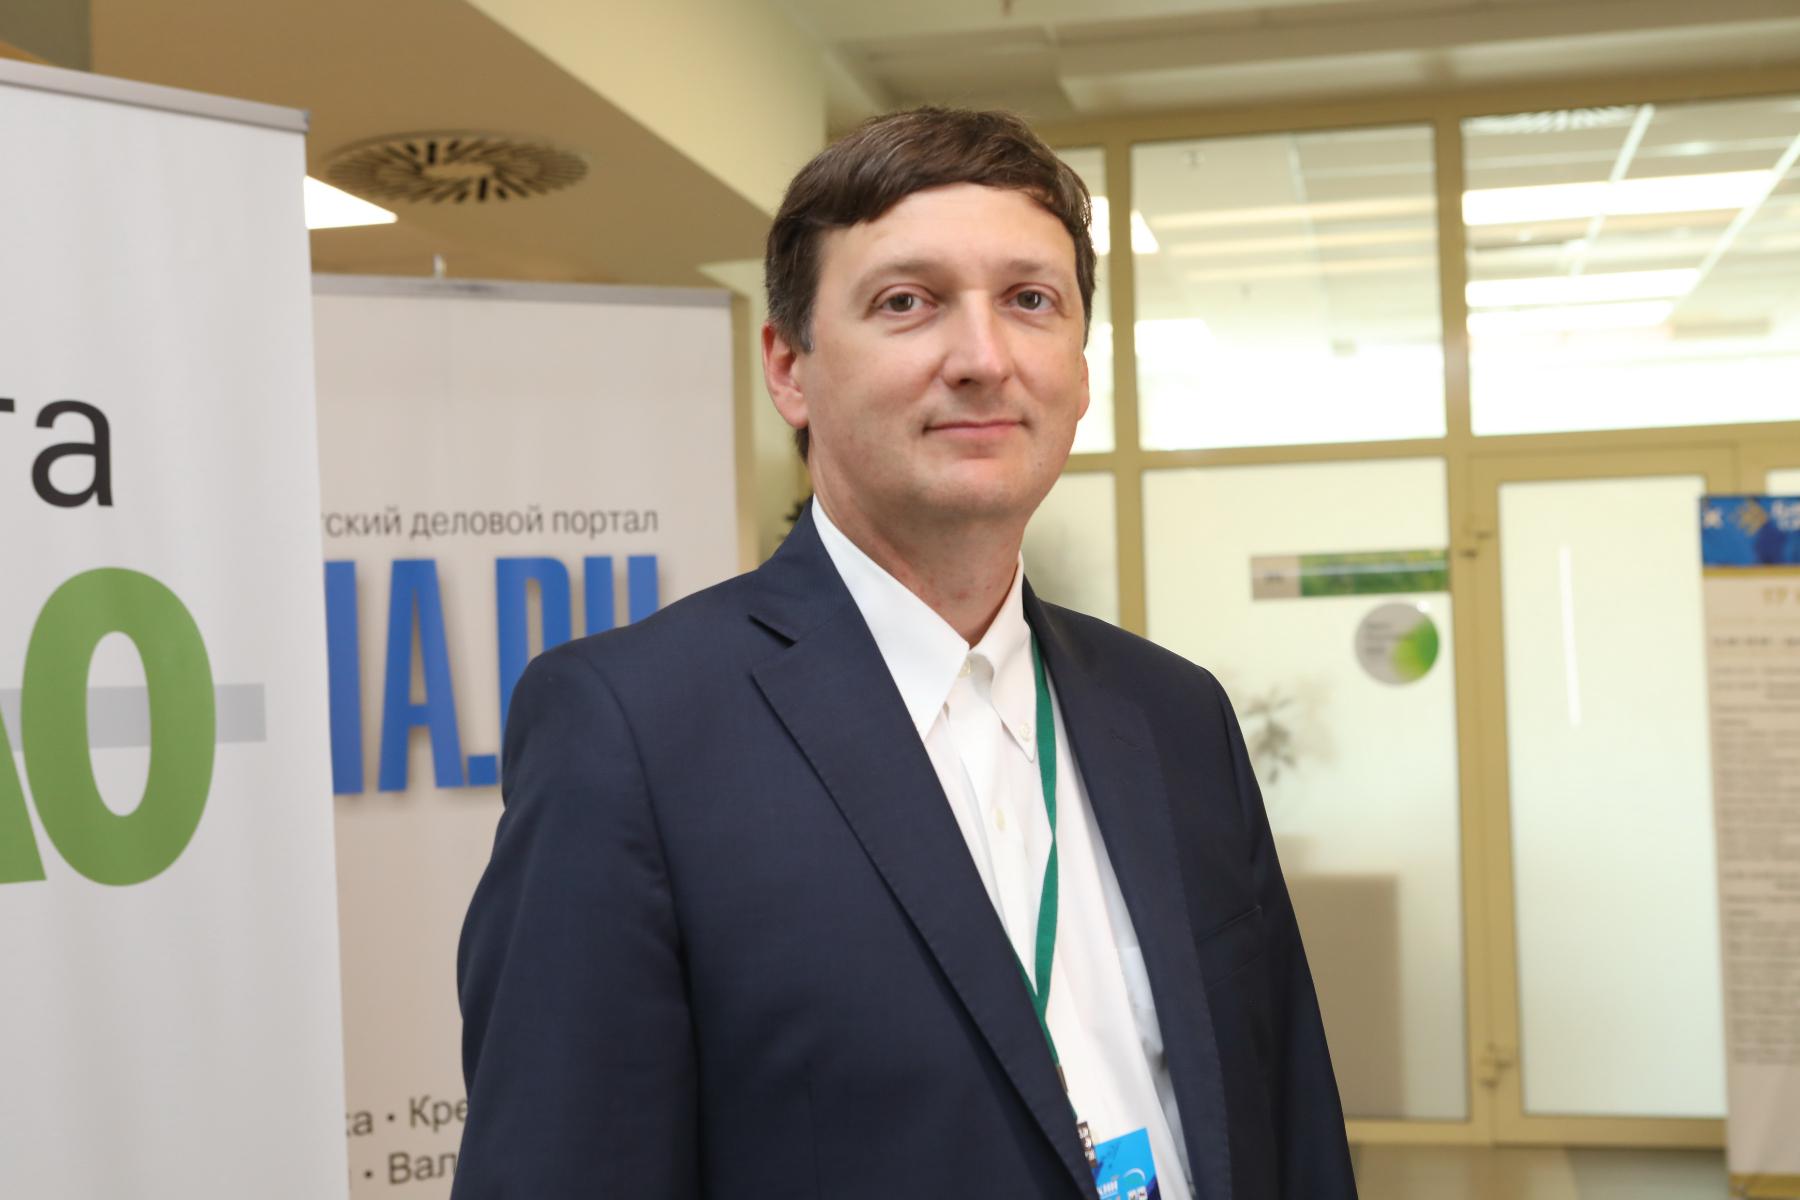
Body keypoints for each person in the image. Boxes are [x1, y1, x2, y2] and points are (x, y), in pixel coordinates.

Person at [452, 107, 1356, 1200]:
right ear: (790, 368)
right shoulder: (632, 732)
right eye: (906, 303)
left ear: (1079, 367)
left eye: (1030, 300)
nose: (982, 359)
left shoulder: (1175, 717)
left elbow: (1292, 1124)